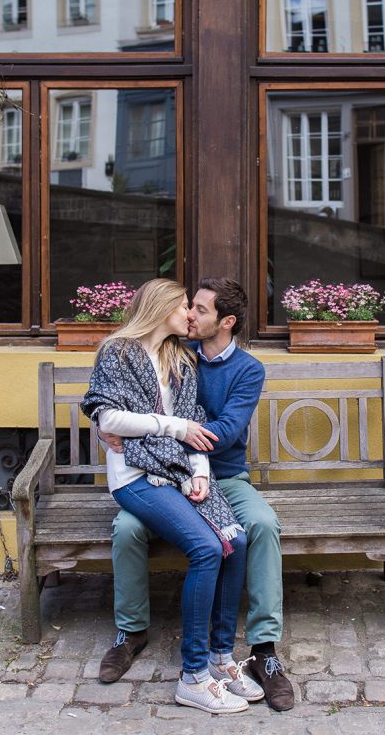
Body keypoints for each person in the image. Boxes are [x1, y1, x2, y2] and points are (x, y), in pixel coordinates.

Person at [98, 277, 295, 712]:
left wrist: (174, 442)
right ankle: (131, 631)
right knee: (127, 529)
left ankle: (263, 650)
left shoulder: (247, 369)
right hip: (157, 475)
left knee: (259, 526)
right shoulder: (176, 351)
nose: (190, 314)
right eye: (189, 306)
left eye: (200, 310)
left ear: (226, 322)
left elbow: (225, 431)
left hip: (224, 476)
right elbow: (118, 407)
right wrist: (109, 429)